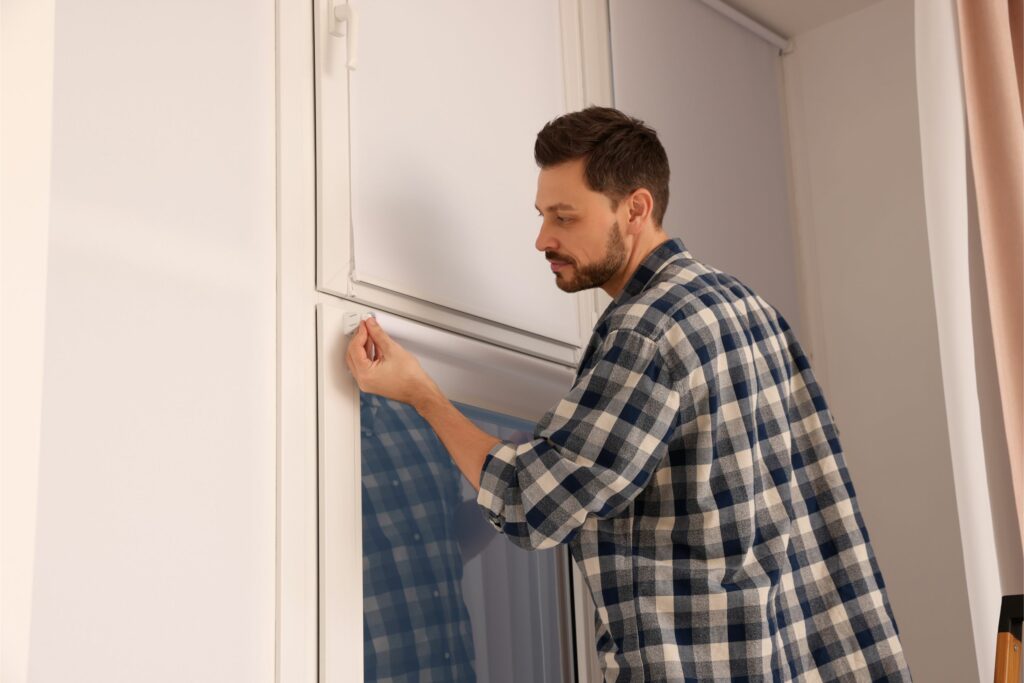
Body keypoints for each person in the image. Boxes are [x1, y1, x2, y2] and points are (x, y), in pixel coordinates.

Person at [346, 106, 912, 682]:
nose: (543, 238)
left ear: (636, 208)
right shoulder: (750, 309)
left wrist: (420, 393)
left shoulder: (647, 328)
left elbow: (528, 503)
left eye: (564, 217)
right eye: (542, 215)